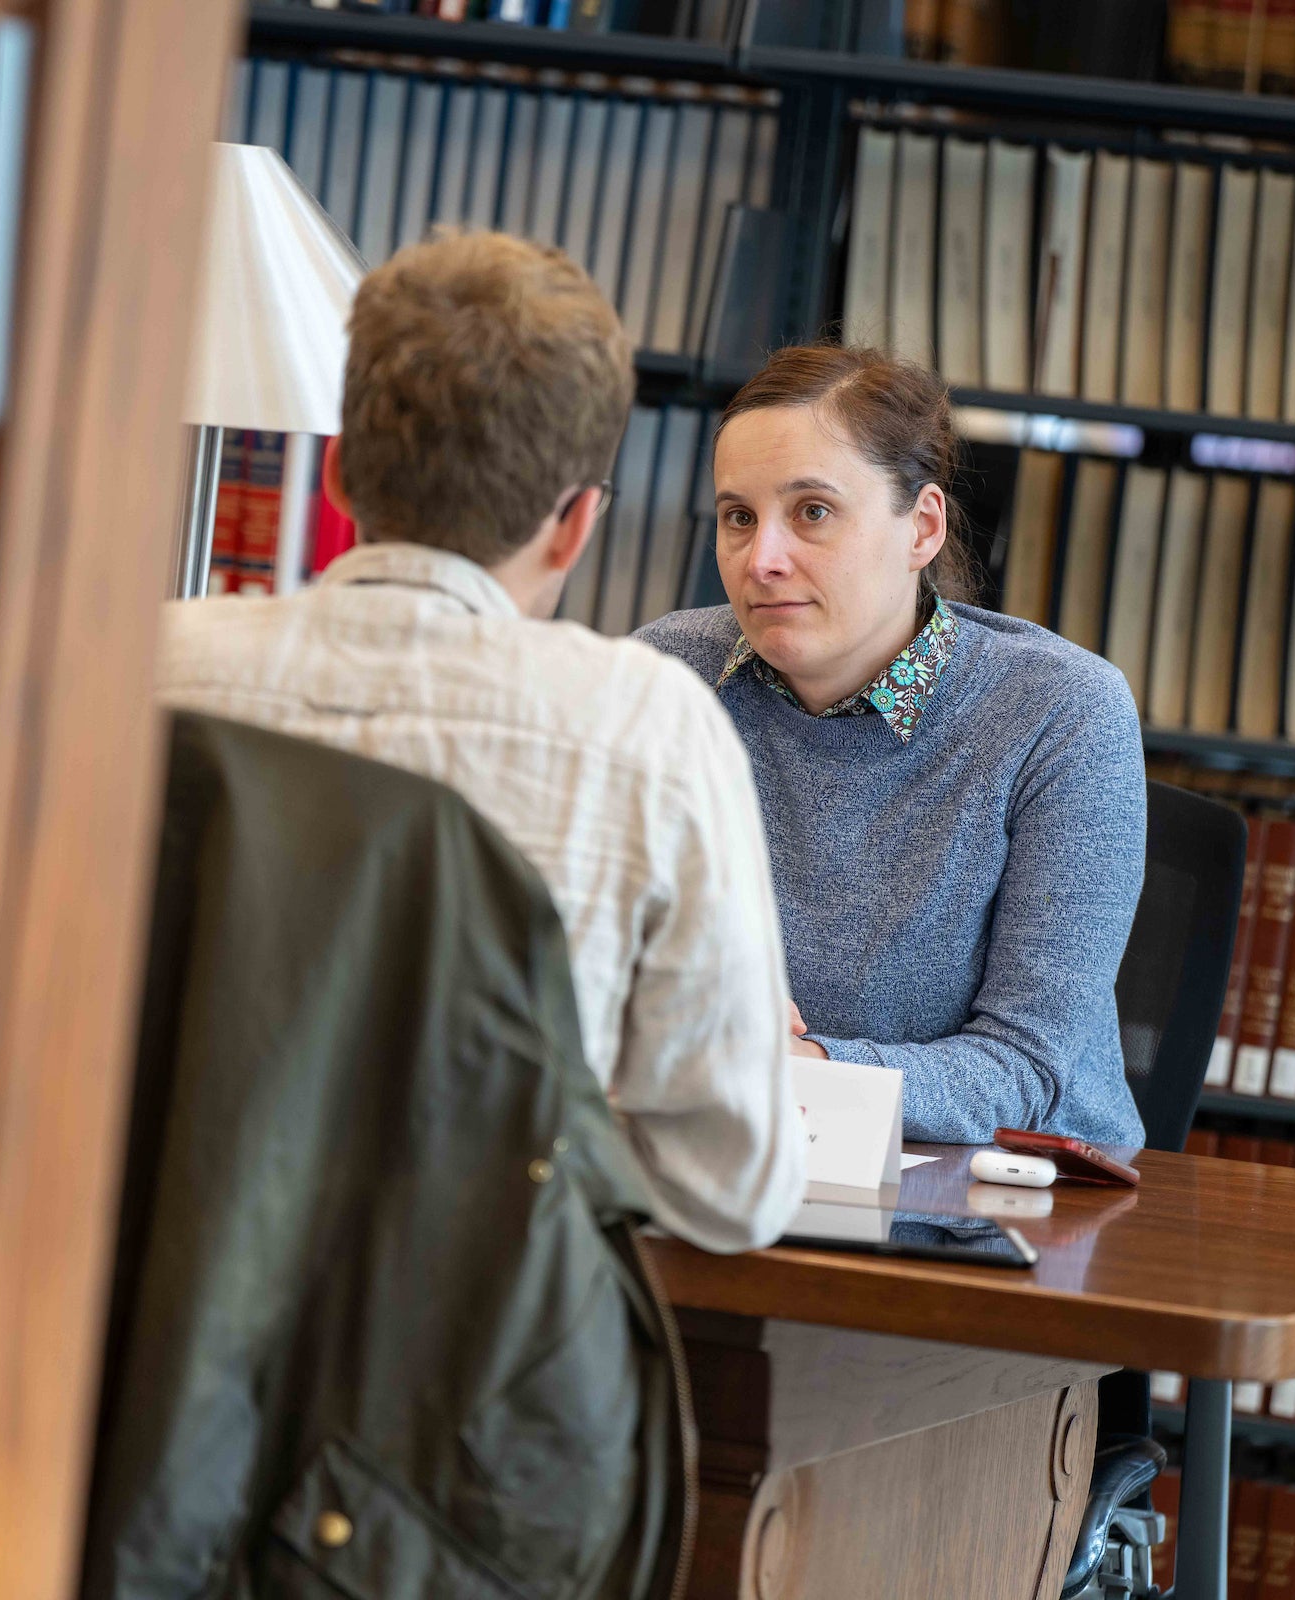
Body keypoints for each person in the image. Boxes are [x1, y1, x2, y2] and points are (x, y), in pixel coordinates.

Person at [157, 230, 806, 1252]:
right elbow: (734, 1190)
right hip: (463, 1363)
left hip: (132, 1337)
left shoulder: (148, 670)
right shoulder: (646, 725)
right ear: (577, 525)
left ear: (338, 474)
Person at [638, 343, 1147, 1148]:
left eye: (812, 511)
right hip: (723, 1168)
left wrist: (802, 1063)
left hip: (999, 1208)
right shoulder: (664, 678)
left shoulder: (1060, 712)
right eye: (739, 517)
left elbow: (1027, 1068)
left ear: (923, 527)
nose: (762, 560)